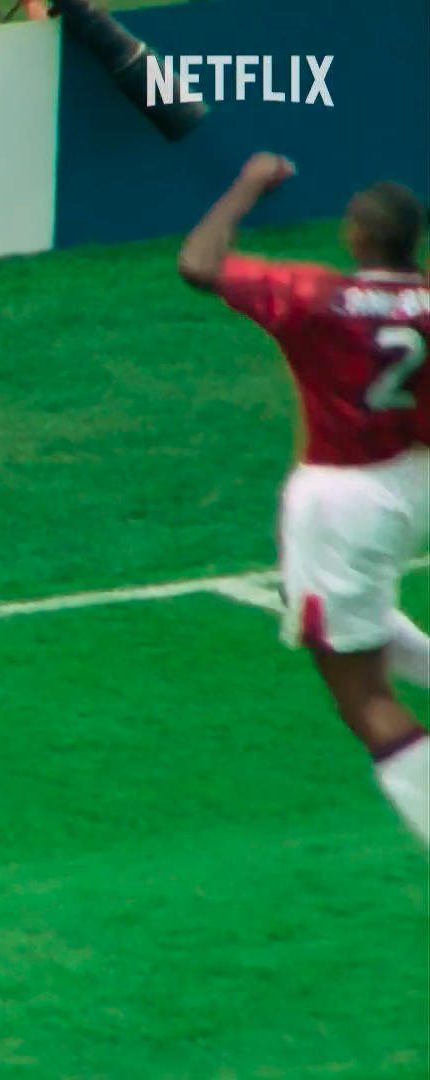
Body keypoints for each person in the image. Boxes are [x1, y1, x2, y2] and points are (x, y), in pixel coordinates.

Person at [178, 152, 430, 849]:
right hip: (414, 484)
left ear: (357, 236)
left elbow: (200, 263)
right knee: (365, 621)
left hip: (342, 497)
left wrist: (247, 186)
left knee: (362, 695)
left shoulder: (319, 297)